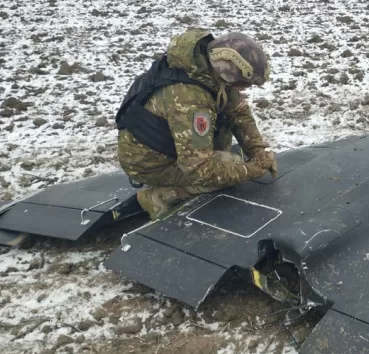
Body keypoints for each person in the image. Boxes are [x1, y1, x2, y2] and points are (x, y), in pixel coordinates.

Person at [114, 28, 278, 220]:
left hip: (160, 145)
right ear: (227, 72)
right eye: (244, 84)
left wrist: (257, 150)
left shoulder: (205, 68)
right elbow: (200, 170)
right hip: (147, 162)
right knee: (228, 166)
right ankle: (158, 198)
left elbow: (238, 111)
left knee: (227, 161)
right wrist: (250, 170)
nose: (244, 89)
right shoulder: (191, 100)